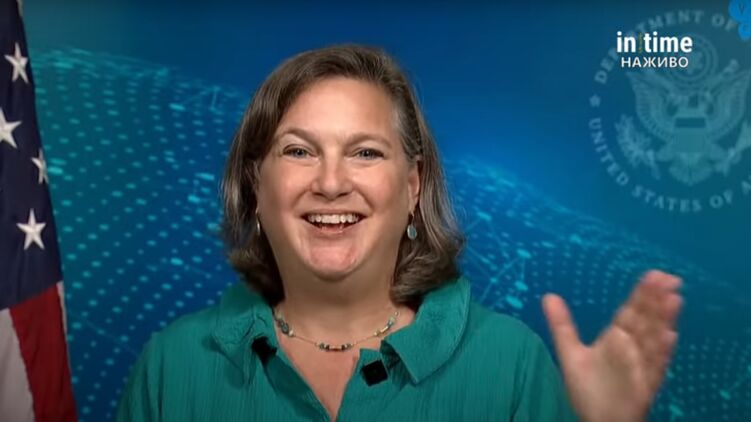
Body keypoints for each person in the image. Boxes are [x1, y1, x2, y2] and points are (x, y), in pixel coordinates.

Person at [116, 44, 683, 422]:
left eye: (365, 152)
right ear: (256, 186)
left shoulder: (509, 363)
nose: (331, 183)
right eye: (299, 151)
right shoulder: (173, 365)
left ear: (412, 187)